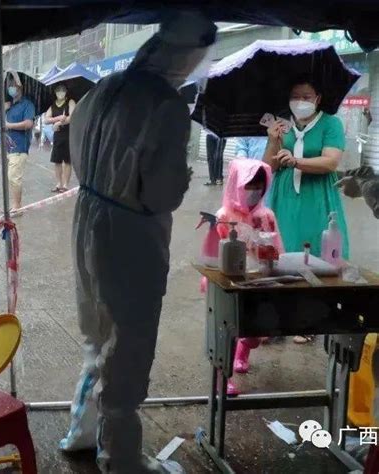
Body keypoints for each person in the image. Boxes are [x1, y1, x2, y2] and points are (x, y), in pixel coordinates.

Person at [62, 11, 217, 474]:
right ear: (186, 56)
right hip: (131, 232)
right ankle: (120, 458)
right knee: (129, 342)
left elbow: (75, 151)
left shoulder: (101, 90)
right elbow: (163, 194)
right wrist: (183, 175)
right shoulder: (166, 105)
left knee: (96, 332)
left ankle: (81, 435)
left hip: (87, 213)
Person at [264, 75, 349, 345]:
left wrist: (297, 161)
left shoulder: (331, 124)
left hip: (316, 196)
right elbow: (269, 167)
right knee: (280, 253)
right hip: (285, 196)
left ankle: (307, 321)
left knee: (314, 256)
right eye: (295, 96)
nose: (300, 102)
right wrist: (273, 140)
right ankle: (276, 321)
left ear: (318, 99)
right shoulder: (283, 125)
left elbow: (330, 162)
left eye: (306, 96)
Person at [215, 159, 283, 394]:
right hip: (230, 281)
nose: (254, 192)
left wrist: (274, 262)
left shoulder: (266, 216)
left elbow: (276, 247)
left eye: (259, 187)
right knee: (225, 330)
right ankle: (222, 378)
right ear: (236, 185)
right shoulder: (224, 216)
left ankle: (245, 348)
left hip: (259, 279)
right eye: (249, 185)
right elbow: (212, 253)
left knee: (255, 330)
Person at [4, 72, 35, 210]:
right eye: (9, 86)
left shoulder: (27, 104)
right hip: (9, 147)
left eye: (14, 85)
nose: (11, 88)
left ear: (20, 87)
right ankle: (13, 204)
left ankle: (17, 205)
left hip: (20, 147)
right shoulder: (9, 105)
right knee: (11, 178)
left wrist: (10, 125)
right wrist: (4, 110)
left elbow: (28, 124)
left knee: (14, 177)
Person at [44, 83, 76, 192]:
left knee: (67, 161)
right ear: (55, 91)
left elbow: (72, 117)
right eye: (58, 90)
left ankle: (65, 185)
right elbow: (46, 119)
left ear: (66, 91)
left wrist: (59, 123)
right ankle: (58, 183)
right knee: (57, 160)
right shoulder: (53, 105)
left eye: (63, 89)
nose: (60, 92)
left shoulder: (70, 102)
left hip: (68, 134)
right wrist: (57, 120)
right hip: (57, 135)